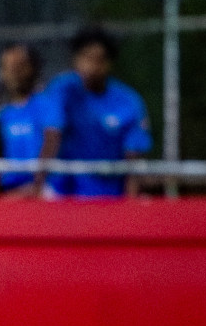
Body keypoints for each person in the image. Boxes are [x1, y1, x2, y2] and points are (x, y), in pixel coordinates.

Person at [36, 27, 152, 198]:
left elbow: (133, 161)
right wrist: (38, 186)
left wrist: (131, 204)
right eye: (86, 57)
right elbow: (52, 135)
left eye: (99, 59)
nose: (92, 66)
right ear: (75, 59)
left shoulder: (129, 102)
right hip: (63, 192)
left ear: (109, 62)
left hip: (110, 196)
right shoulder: (63, 90)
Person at [0, 43, 47, 194]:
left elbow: (52, 139)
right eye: (8, 67)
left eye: (19, 66)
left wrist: (37, 186)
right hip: (8, 191)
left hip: (40, 190)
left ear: (33, 68)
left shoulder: (45, 105)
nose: (13, 73)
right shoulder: (0, 113)